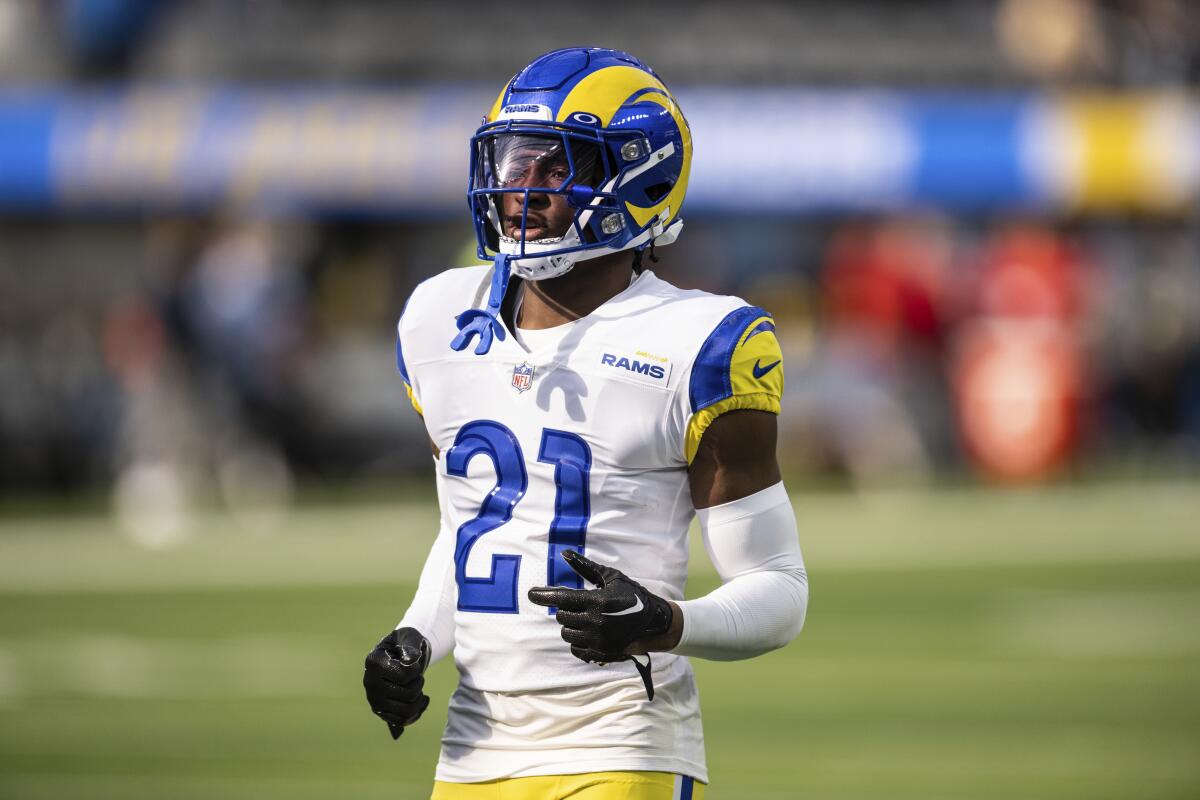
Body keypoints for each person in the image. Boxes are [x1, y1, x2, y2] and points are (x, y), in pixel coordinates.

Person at [363, 47, 808, 800]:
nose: (517, 189)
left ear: (638, 178)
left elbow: (777, 586)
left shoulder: (700, 342)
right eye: (510, 161)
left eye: (552, 167)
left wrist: (666, 622)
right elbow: (473, 522)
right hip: (471, 752)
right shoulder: (440, 317)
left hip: (617, 744)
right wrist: (419, 634)